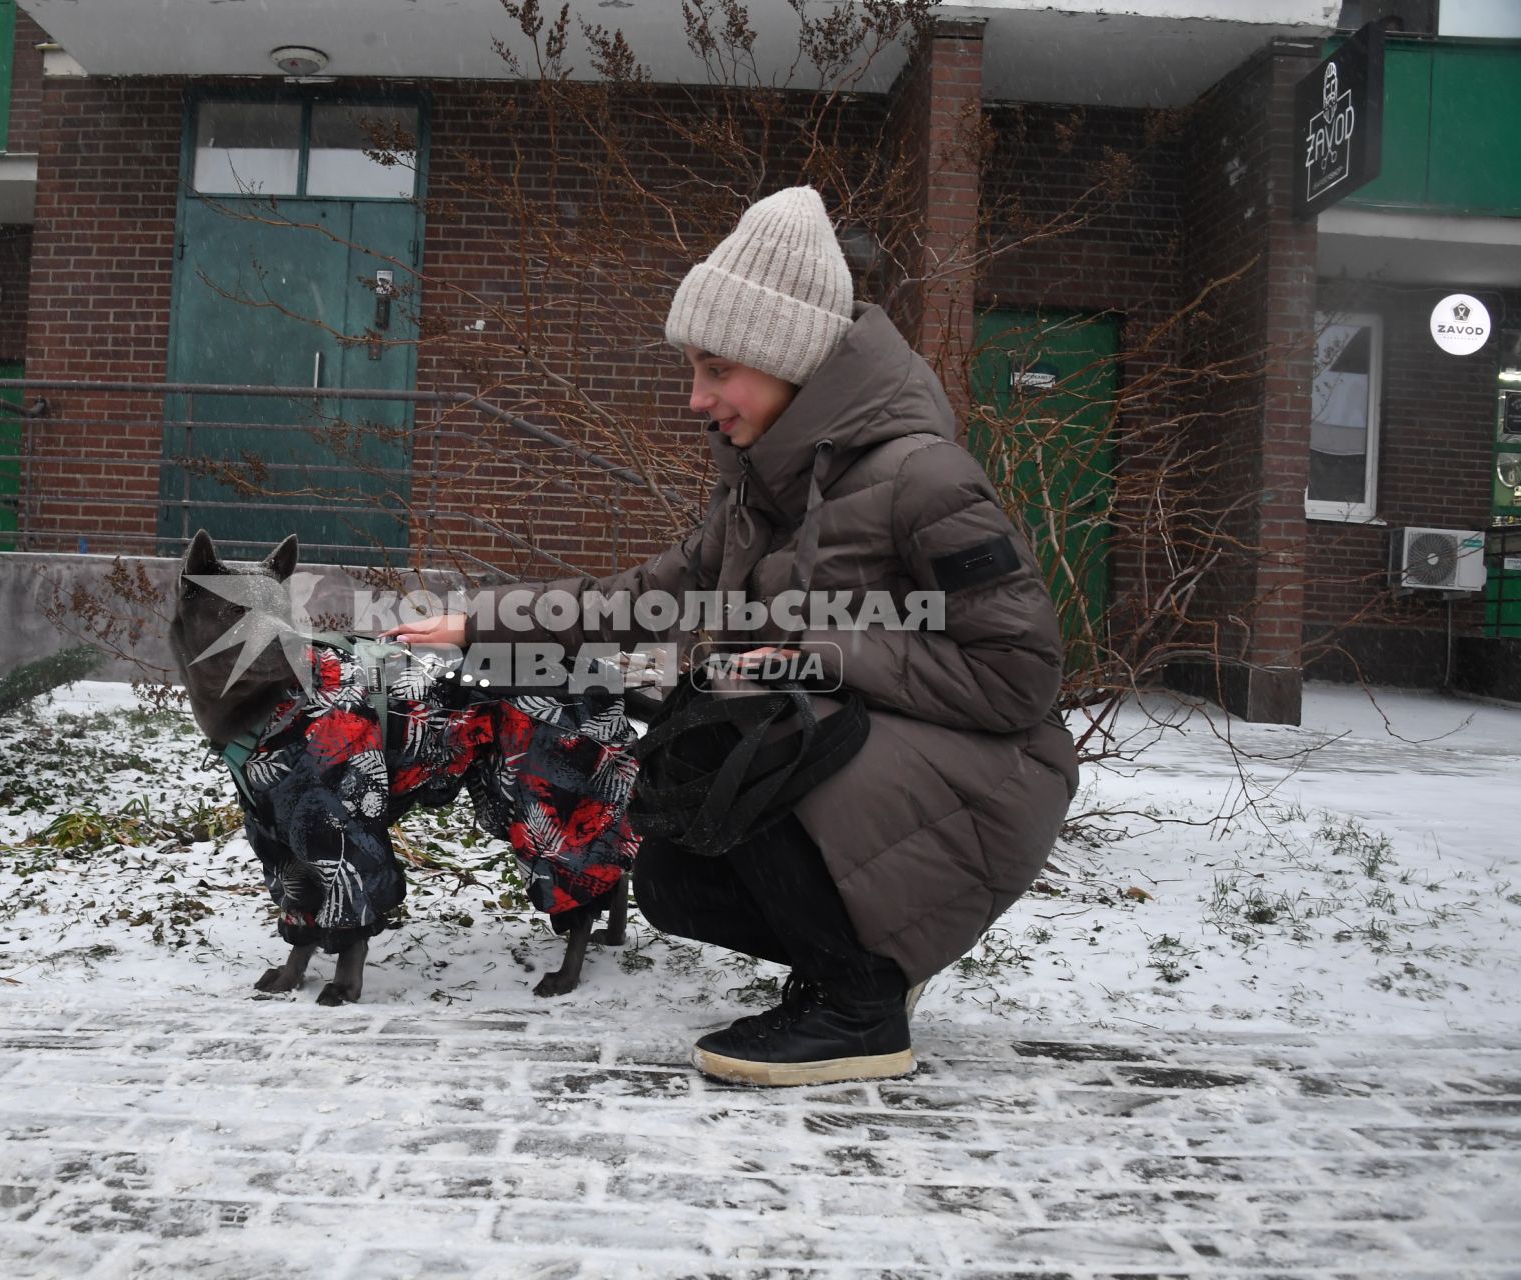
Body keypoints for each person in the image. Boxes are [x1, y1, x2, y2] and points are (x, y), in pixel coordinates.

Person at [388, 186, 1078, 1086]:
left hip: (990, 783)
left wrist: (817, 651)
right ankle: (850, 966)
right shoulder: (763, 491)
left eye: (718, 369)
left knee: (748, 728)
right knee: (676, 874)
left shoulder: (925, 480)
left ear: (787, 357)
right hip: (880, 774)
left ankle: (859, 1006)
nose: (696, 398)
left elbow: (1020, 676)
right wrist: (485, 621)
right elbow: (648, 596)